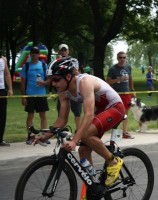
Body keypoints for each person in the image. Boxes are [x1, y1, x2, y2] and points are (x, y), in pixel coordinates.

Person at [34, 57, 125, 186]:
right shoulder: (63, 91)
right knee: (83, 151)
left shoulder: (84, 82)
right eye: (51, 80)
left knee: (85, 134)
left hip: (115, 107)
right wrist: (45, 136)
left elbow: (88, 114)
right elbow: (62, 119)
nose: (53, 83)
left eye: (56, 79)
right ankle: (94, 187)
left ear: (68, 76)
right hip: (101, 110)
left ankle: (113, 162)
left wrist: (75, 140)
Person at [20, 46, 49, 144]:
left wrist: (44, 83)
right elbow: (23, 82)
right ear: (30, 54)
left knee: (43, 115)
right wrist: (23, 96)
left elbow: (49, 79)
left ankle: (44, 136)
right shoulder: (26, 66)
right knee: (30, 115)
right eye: (32, 52)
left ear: (39, 54)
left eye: (36, 52)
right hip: (30, 94)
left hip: (41, 94)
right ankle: (30, 137)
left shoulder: (44, 65)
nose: (34, 54)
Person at [106, 51, 135, 139]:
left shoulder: (128, 67)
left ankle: (125, 133)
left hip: (126, 93)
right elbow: (108, 81)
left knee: (125, 113)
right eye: (120, 57)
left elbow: (130, 79)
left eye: (124, 57)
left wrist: (132, 90)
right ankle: (115, 134)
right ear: (117, 58)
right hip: (117, 94)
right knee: (117, 113)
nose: (122, 59)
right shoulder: (113, 69)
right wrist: (119, 79)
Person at [56, 44, 82, 132]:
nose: (63, 52)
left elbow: (74, 71)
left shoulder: (74, 60)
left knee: (77, 112)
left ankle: (78, 132)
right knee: (61, 111)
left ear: (68, 51)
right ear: (59, 52)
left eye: (65, 50)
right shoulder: (56, 61)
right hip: (63, 90)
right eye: (61, 50)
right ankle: (62, 132)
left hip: (73, 88)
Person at [0, 54, 13, 146]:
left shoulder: (3, 59)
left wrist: (10, 88)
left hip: (1, 89)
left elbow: (7, 74)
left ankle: (0, 139)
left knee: (2, 115)